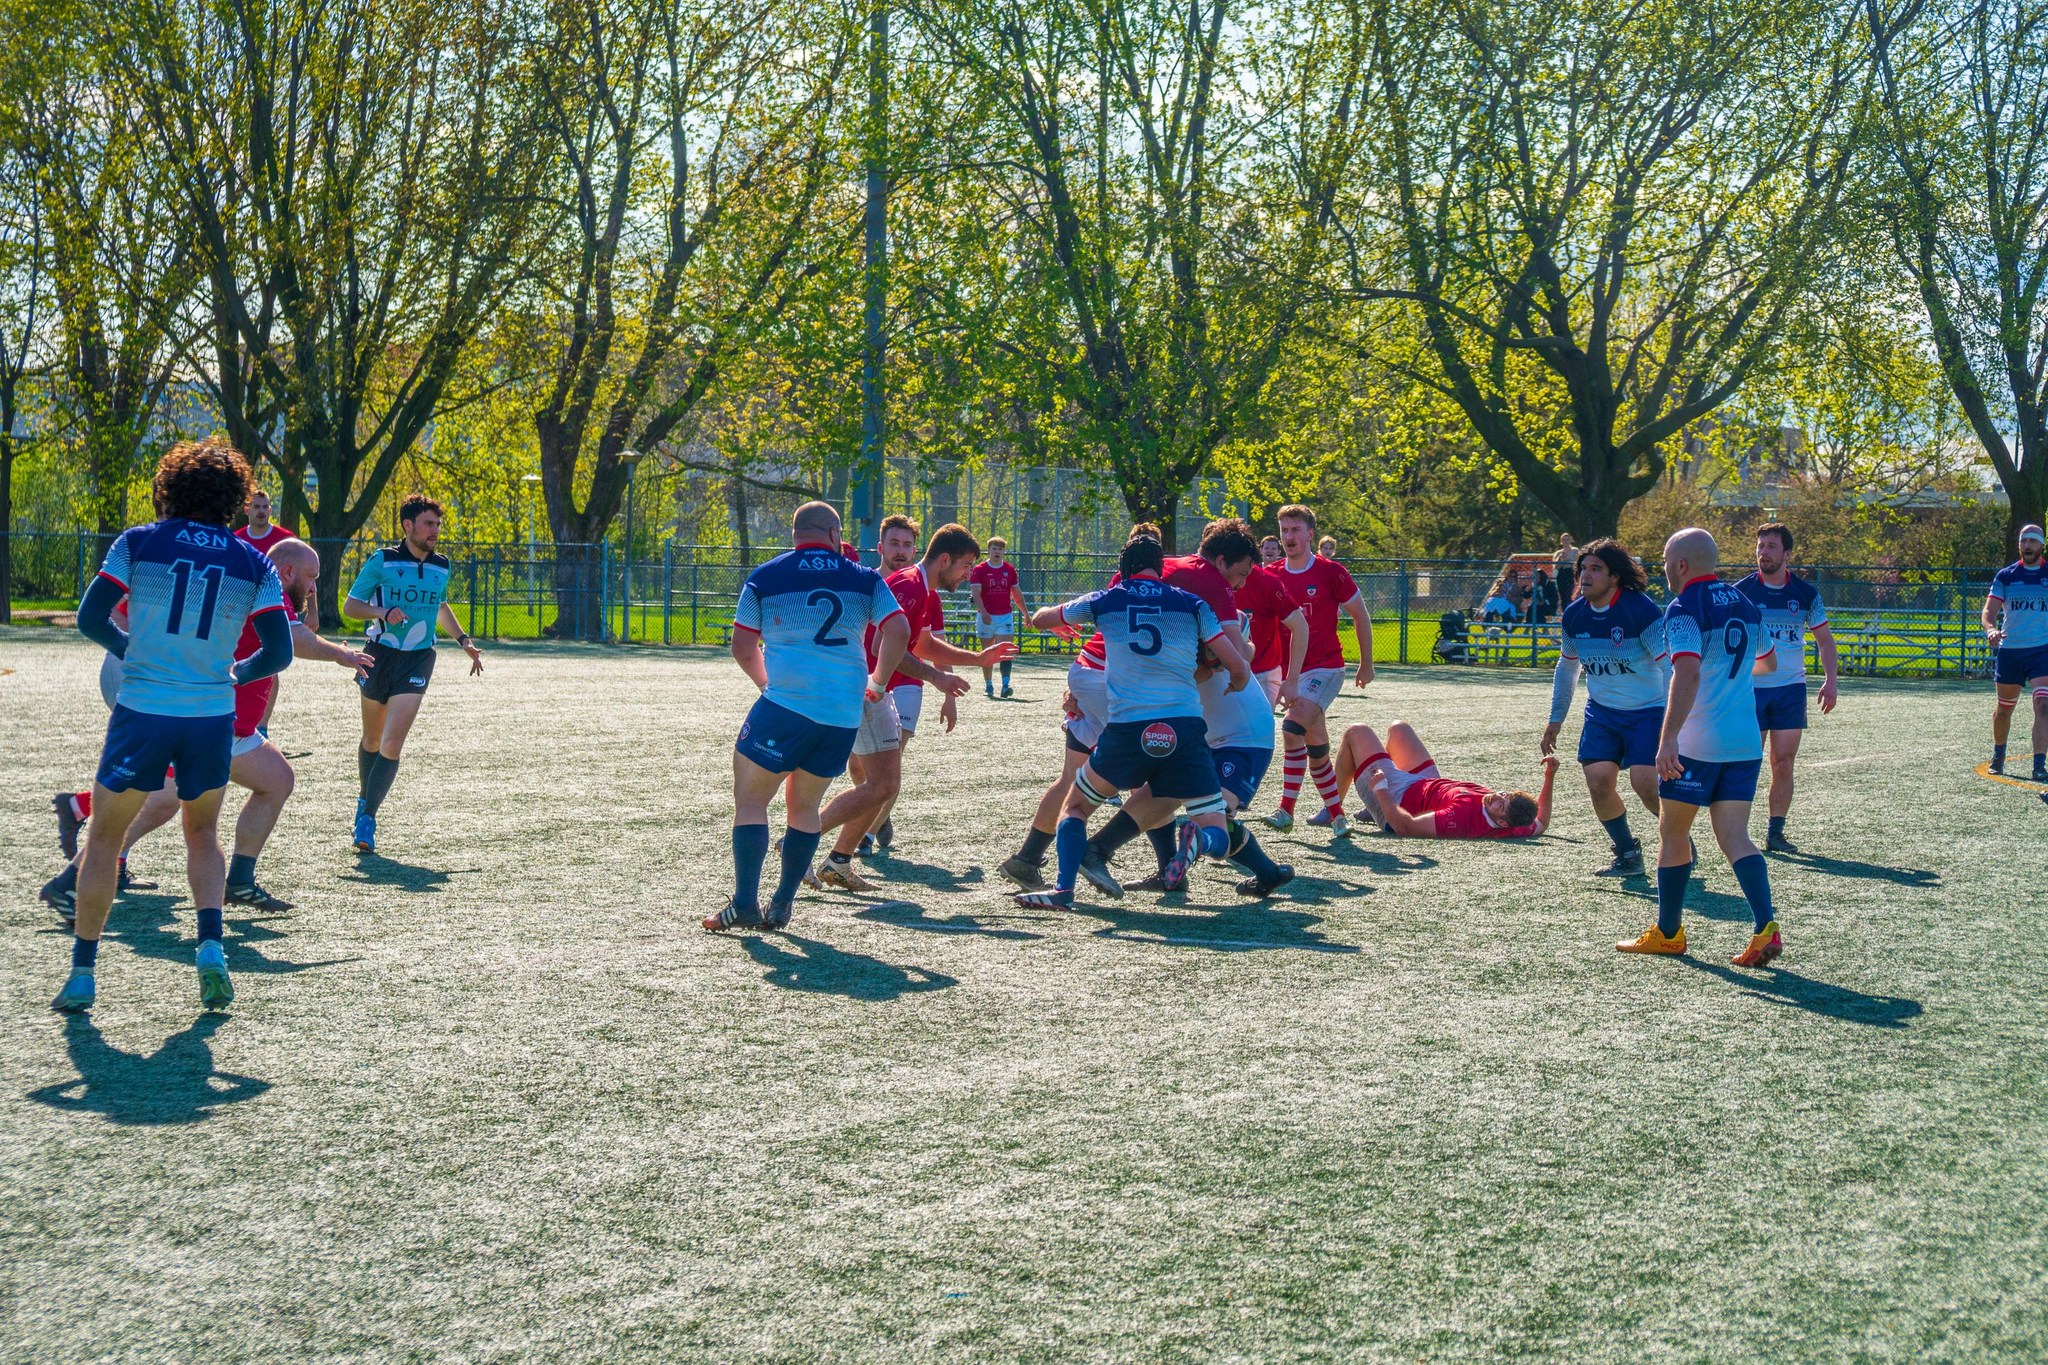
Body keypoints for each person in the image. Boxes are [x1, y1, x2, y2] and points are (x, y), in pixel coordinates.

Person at [51, 439, 296, 1014]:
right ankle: (211, 949)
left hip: (144, 711)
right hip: (211, 715)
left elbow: (90, 617)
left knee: (105, 839)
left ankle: (83, 976)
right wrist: (235, 673)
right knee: (202, 834)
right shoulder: (252, 561)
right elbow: (279, 651)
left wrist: (128, 650)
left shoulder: (138, 542)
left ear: (169, 487)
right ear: (234, 498)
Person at [48, 539, 376, 917]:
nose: (316, 586)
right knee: (158, 801)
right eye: (312, 577)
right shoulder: (263, 583)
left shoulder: (261, 582)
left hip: (231, 725)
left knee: (276, 780)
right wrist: (342, 654)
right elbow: (292, 639)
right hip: (211, 715)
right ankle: (69, 882)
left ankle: (239, 881)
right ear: (288, 572)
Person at [1012, 533, 1250, 909]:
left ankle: (1063, 891)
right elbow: (1237, 665)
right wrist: (1234, 685)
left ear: (1123, 568)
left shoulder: (1107, 598)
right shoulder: (1193, 604)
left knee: (1075, 808)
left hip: (1128, 729)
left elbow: (1040, 619)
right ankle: (1198, 842)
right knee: (1215, 829)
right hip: (1185, 730)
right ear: (1161, 568)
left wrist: (1051, 621)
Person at [706, 502, 911, 931]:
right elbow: (899, 631)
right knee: (805, 809)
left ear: (795, 534)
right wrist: (876, 682)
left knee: (751, 801)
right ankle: (781, 904)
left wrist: (767, 687)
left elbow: (743, 649)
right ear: (836, 535)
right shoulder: (864, 577)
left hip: (785, 708)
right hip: (840, 716)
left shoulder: (765, 576)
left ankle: (745, 904)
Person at [1073, 519, 1277, 893]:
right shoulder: (1201, 591)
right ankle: (1104, 852)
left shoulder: (1163, 582)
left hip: (1236, 736)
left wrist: (1088, 680)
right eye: (1242, 573)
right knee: (1187, 806)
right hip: (1232, 734)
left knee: (1189, 805)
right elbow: (1236, 666)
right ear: (1219, 562)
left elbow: (1124, 636)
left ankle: (1266, 872)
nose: (1242, 584)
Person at [1617, 527, 1784, 967]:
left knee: (1673, 835)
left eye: (1667, 561)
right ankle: (1765, 925)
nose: (1665, 570)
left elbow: (1686, 675)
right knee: (1735, 837)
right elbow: (1768, 661)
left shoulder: (1683, 608)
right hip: (1745, 741)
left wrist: (1668, 737)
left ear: (1682, 565)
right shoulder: (1746, 602)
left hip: (1698, 743)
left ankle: (1669, 933)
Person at [809, 525, 1009, 891]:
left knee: (883, 784)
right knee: (879, 783)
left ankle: (837, 861)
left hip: (871, 687)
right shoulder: (910, 586)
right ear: (944, 560)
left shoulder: (920, 586)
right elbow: (888, 647)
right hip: (865, 686)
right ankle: (801, 842)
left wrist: (976, 659)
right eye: (965, 566)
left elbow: (923, 644)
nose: (968, 575)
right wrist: (936, 679)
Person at [999, 523, 1161, 890]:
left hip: (1085, 670)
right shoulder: (1173, 585)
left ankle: (1026, 859)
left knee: (1071, 777)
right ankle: (1149, 865)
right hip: (1112, 682)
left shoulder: (1120, 582)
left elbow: (1044, 618)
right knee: (1151, 780)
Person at [341, 494, 485, 854]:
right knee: (371, 741)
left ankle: (367, 819)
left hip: (418, 658)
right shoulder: (382, 561)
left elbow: (438, 605)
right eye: (429, 524)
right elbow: (350, 606)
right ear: (408, 526)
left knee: (392, 743)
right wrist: (383, 610)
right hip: (378, 656)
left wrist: (463, 639)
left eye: (437, 524)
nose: (435, 530)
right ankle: (365, 799)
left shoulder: (441, 565)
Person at [1541, 538, 1668, 876]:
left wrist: (1675, 720)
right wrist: (1556, 719)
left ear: (1614, 577)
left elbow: (1670, 667)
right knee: (1598, 783)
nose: (1585, 574)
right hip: (1603, 713)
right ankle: (1628, 854)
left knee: (1645, 783)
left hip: (1648, 711)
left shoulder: (1641, 610)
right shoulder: (1575, 616)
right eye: (1582, 568)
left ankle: (1677, 838)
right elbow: (1568, 666)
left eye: (1596, 569)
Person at [1264, 504, 1372, 836]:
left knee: (1292, 730)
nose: (1288, 537)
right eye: (1284, 530)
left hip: (1325, 669)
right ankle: (1337, 815)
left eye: (1295, 530)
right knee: (1316, 744)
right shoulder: (1272, 575)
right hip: (1290, 673)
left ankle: (1286, 810)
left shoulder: (1331, 572)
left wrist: (1366, 663)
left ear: (1310, 534)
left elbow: (1360, 615)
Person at [1736, 522, 1839, 850]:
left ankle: (1775, 832)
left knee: (1783, 761)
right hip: (1749, 689)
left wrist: (1831, 681)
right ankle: (1736, 830)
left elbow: (1824, 640)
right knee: (1748, 759)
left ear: (1786, 554)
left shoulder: (1806, 594)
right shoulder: (1741, 592)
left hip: (1790, 689)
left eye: (1771, 547)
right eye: (1760, 546)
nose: (1763, 552)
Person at [1332, 722, 1556, 838]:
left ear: (1503, 823)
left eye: (1501, 805)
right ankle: (1368, 809)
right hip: (1426, 786)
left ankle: (1332, 809)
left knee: (1356, 731)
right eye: (1504, 795)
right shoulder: (1516, 825)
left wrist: (1381, 790)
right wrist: (1549, 776)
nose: (1497, 797)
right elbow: (1542, 823)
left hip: (1399, 798)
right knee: (1399, 728)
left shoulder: (1460, 818)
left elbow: (1404, 827)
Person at [1981, 523, 2048, 779]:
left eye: (2032, 541)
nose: (2028, 546)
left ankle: (2039, 765)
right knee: (2004, 710)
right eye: (2024, 541)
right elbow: (1989, 612)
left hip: (2043, 650)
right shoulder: (2006, 576)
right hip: (2011, 650)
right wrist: (1991, 630)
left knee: (2043, 705)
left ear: (2041, 545)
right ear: (2019, 545)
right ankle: (1999, 754)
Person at [1239, 552, 1308, 709]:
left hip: (1263, 674)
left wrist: (1292, 680)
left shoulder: (1267, 582)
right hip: (1220, 673)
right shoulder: (1207, 578)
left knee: (1257, 729)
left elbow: (1300, 626)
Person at [968, 536, 1028, 697]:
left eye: (1000, 548)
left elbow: (1016, 594)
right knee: (987, 652)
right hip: (986, 617)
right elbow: (976, 594)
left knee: (1006, 650)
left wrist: (1026, 614)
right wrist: (984, 612)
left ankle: (1005, 685)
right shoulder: (979, 570)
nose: (997, 551)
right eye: (994, 548)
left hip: (1005, 616)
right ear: (988, 550)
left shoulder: (1009, 570)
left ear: (1004, 551)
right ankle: (988, 685)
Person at [235, 486, 296, 555]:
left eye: (265, 507)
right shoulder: (236, 539)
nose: (261, 511)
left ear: (270, 511)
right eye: (256, 507)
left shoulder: (286, 539)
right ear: (247, 510)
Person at [1553, 533, 1578, 601]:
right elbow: (1556, 567)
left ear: (1570, 540)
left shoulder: (1575, 551)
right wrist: (1560, 558)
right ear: (1561, 541)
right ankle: (1564, 610)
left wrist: (1568, 560)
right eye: (1564, 540)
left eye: (1567, 540)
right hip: (1561, 574)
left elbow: (1577, 563)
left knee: (1568, 594)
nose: (1565, 541)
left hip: (1570, 573)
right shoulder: (1558, 553)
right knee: (1562, 596)